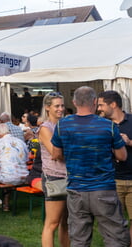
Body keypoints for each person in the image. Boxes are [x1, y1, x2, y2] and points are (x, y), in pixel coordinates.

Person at [52, 86, 130, 247]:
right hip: (104, 189)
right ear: (94, 102)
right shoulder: (108, 126)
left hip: (76, 189)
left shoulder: (62, 125)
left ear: (74, 102)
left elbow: (56, 154)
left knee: (79, 239)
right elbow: (122, 156)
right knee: (115, 237)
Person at [97, 90, 132, 245]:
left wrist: (129, 142)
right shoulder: (101, 125)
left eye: (101, 105)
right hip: (111, 180)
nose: (99, 109)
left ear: (113, 104)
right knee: (111, 219)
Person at [37, 92, 69, 247]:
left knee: (67, 222)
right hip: (54, 177)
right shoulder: (45, 127)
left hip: (70, 176)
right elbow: (57, 154)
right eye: (57, 106)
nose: (61, 109)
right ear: (47, 107)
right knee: (52, 223)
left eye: (62, 105)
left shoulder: (65, 124)